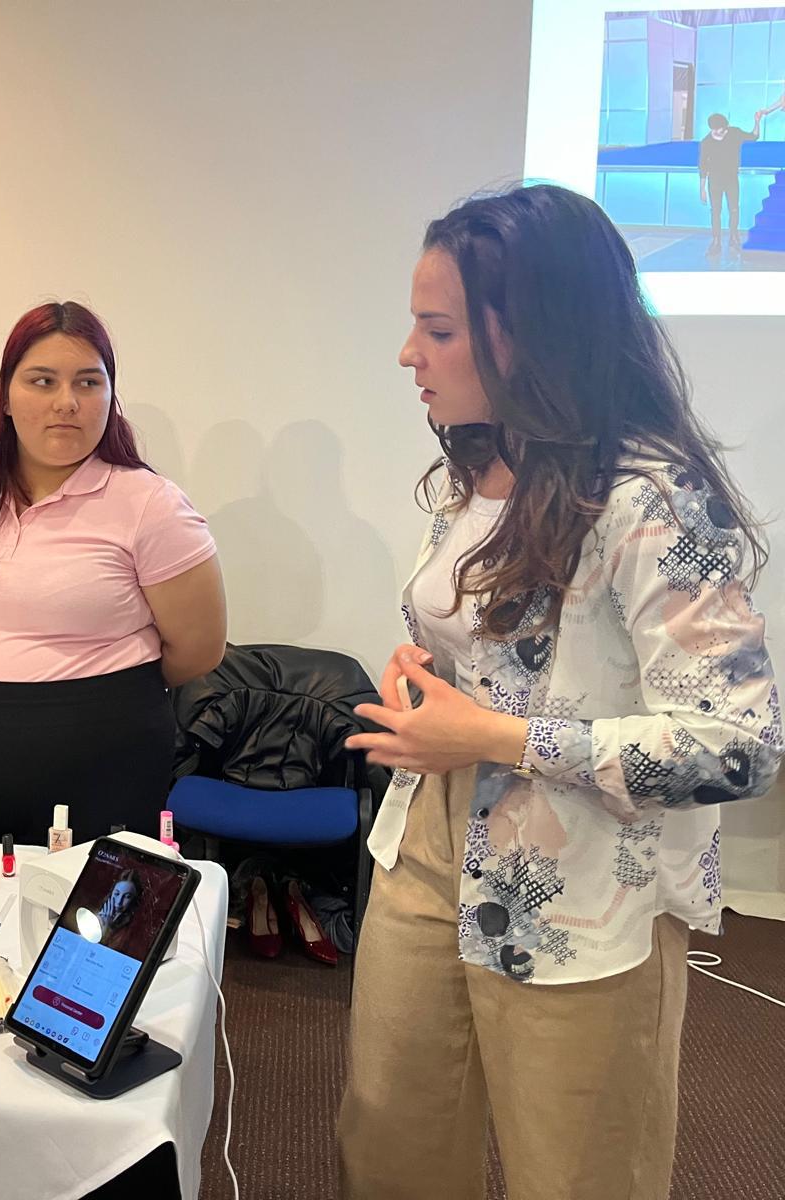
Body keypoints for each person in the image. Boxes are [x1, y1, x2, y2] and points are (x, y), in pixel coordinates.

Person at [337, 183, 779, 1200]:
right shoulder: (479, 468)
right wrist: (428, 676)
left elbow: (737, 745)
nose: (408, 354)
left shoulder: (654, 500)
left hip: (582, 881)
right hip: (428, 841)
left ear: (530, 336)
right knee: (392, 1137)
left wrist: (498, 736)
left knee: (576, 1170)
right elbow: (498, 653)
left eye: (437, 330)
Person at [0, 302, 226, 847]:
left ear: (110, 395)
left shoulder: (150, 504)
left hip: (103, 767)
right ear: (6, 396)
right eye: (43, 381)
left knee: (86, 903)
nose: (67, 402)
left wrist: (93, 694)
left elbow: (199, 648)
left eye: (88, 382)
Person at [698, 111, 761, 252]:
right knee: (715, 211)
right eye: (714, 129)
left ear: (725, 127)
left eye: (719, 129)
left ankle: (733, 237)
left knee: (734, 209)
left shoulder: (734, 133)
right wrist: (702, 188)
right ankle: (716, 240)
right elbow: (702, 165)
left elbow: (754, 136)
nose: (717, 132)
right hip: (714, 180)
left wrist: (757, 121)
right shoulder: (706, 142)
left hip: (731, 178)